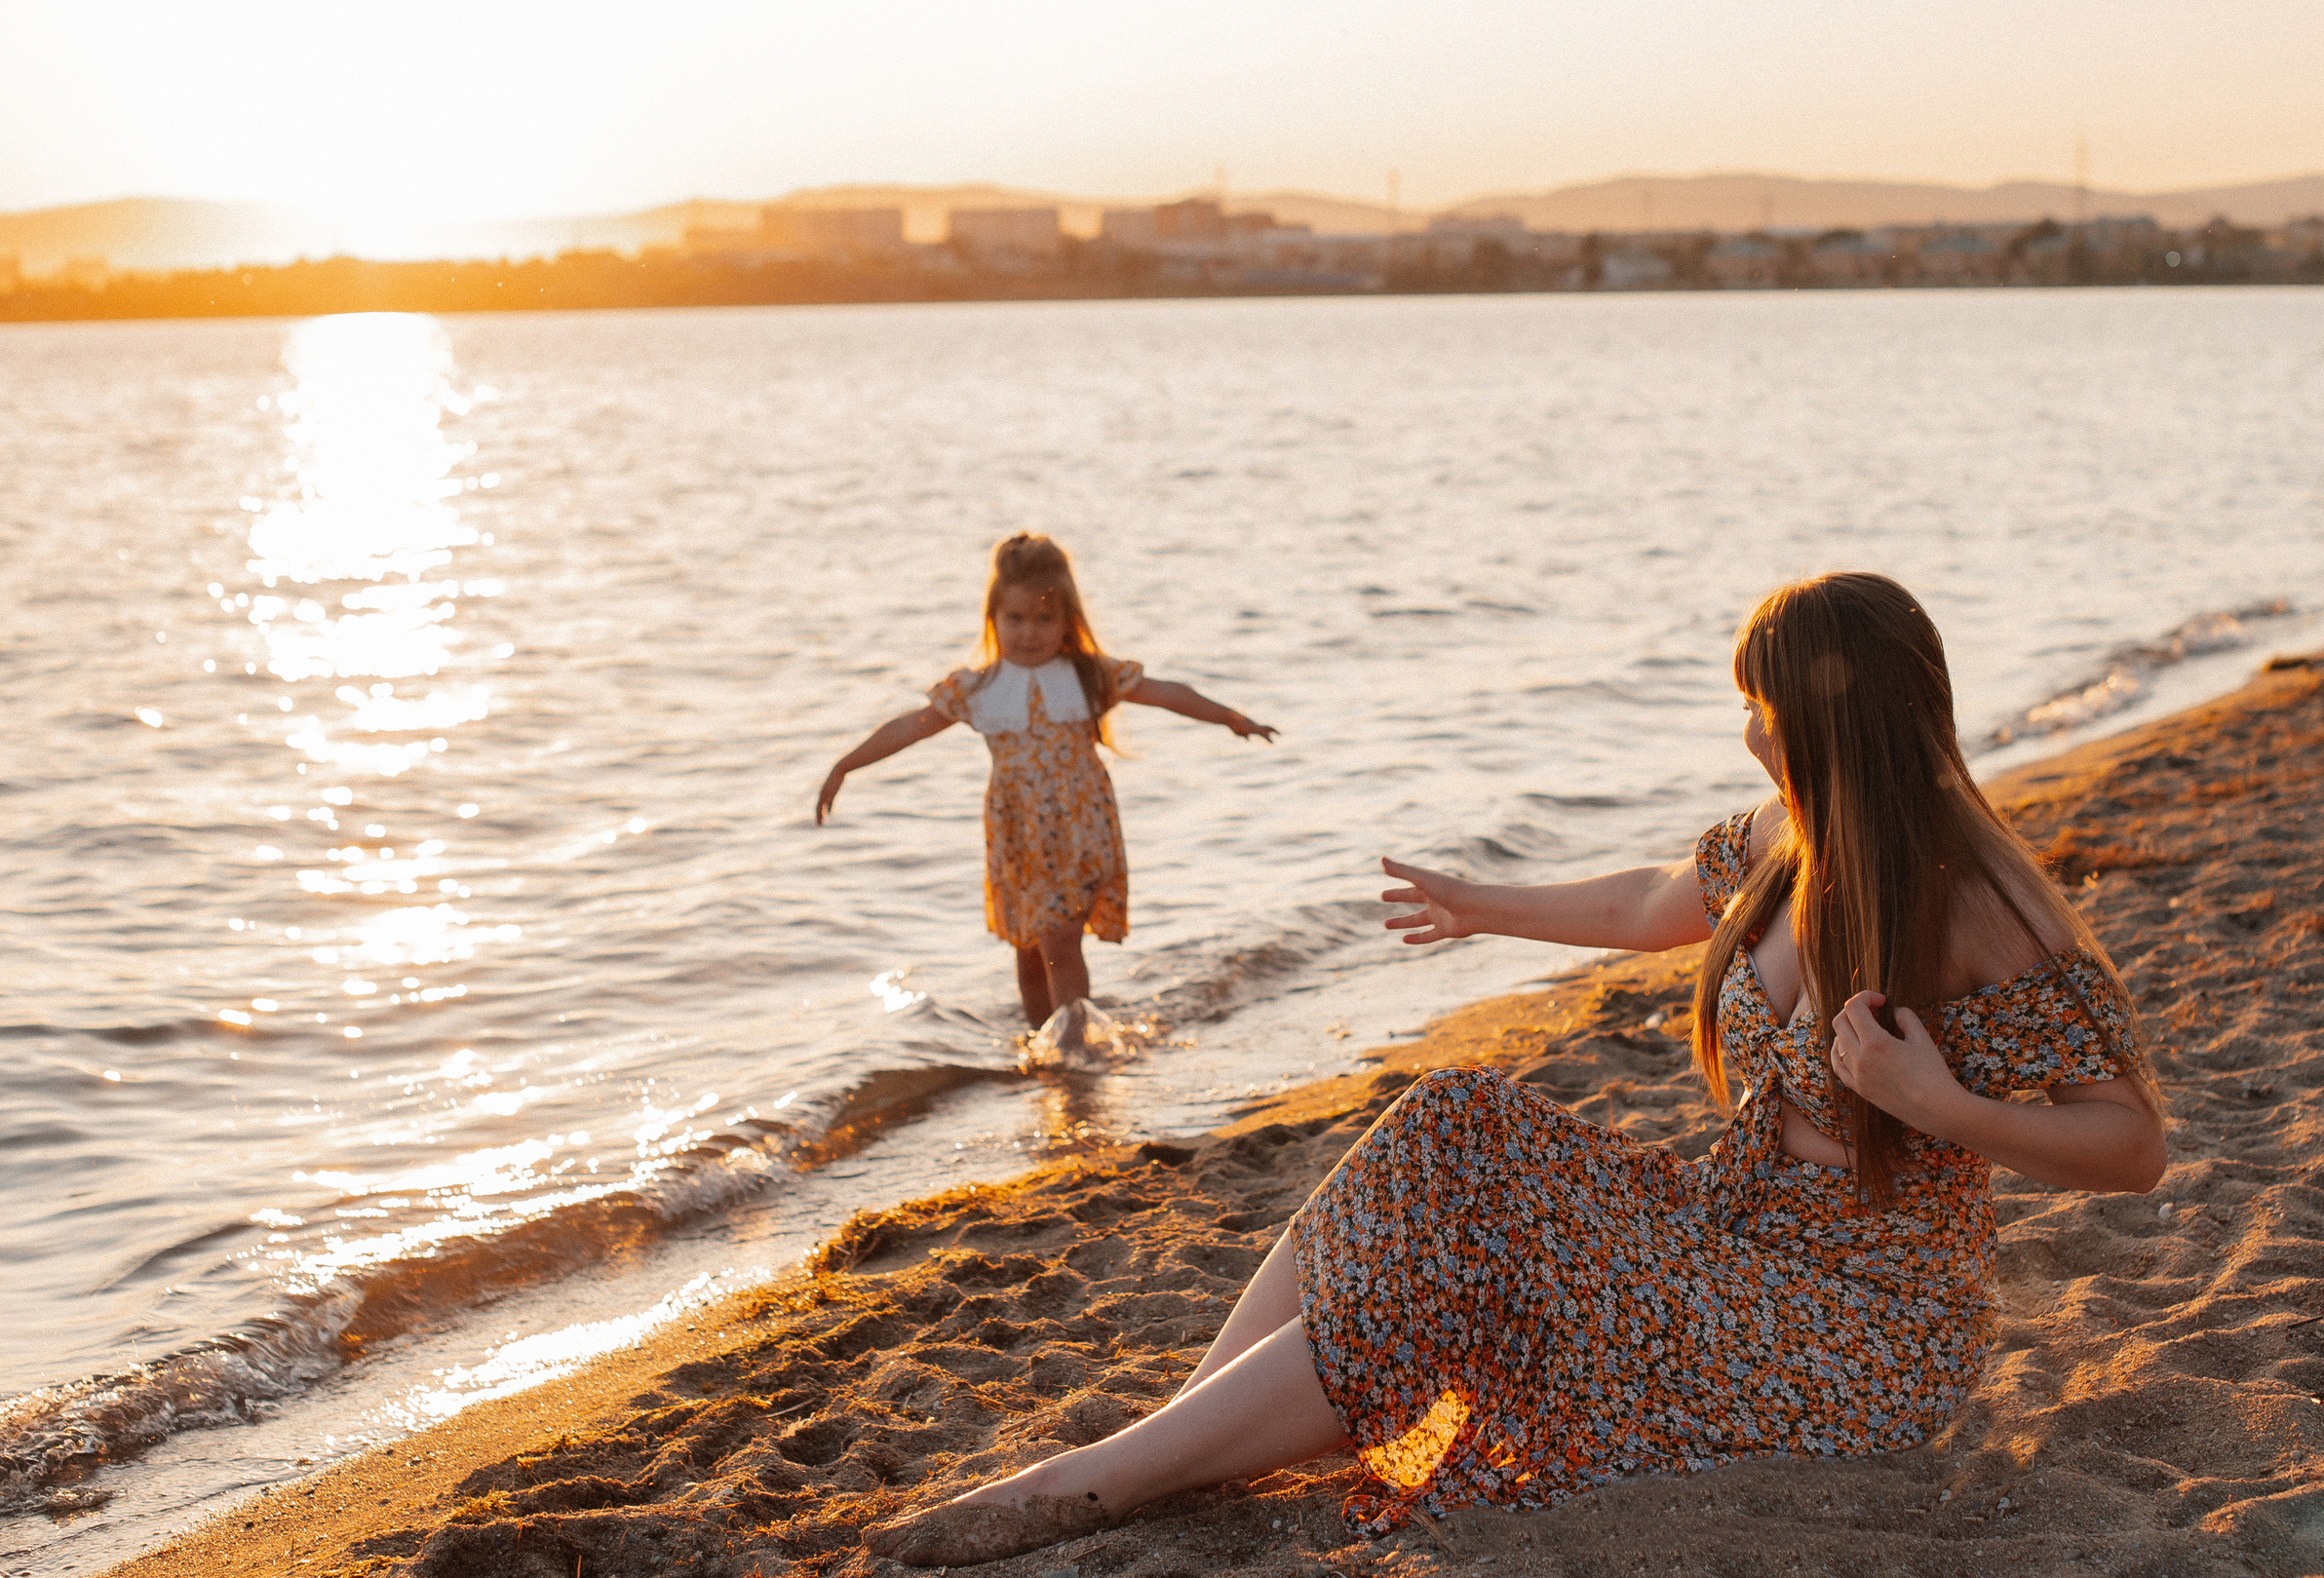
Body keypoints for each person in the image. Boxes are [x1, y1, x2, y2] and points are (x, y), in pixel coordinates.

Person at [863, 571, 2165, 1567]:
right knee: (1456, 1120)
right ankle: (1170, 1440)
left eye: (1764, 707)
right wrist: (1484, 904)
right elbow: (1656, 897)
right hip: (1729, 1240)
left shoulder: (1982, 900)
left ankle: (1102, 1483)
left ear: (1841, 718)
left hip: (1859, 1336)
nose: (1749, 731)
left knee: (1492, 1258)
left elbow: (2131, 1145)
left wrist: (1942, 1106)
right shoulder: (1792, 830)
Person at [815, 532, 1275, 1031]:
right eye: (1015, 619)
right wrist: (846, 765)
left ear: (1066, 622)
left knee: (1060, 941)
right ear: (993, 617)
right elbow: (909, 727)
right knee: (1030, 951)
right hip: (1019, 834)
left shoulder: (1087, 676)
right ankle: (1043, 1046)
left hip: (1079, 829)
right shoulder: (979, 688)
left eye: (1043, 619)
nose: (1028, 633)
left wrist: (1231, 718)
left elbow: (1167, 693)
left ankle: (1076, 1045)